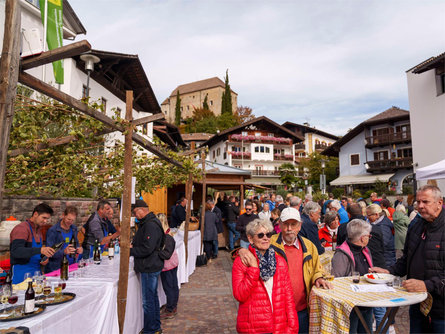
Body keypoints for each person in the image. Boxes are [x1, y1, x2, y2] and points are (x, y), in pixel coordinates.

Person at [240, 207, 332, 333]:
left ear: (299, 226)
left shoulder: (309, 246)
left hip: (302, 309)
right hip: (277, 311)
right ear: (280, 225)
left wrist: (318, 277)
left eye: (293, 225)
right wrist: (241, 250)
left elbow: (317, 268)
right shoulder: (269, 243)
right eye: (286, 224)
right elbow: (251, 251)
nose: (289, 229)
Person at [371, 185, 445, 334]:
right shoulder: (416, 225)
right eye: (418, 202)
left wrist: (426, 285)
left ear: (439, 203)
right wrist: (388, 271)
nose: (420, 206)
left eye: (425, 202)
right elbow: (407, 259)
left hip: (441, 308)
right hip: (417, 302)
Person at [232, 219, 299, 333]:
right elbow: (240, 295)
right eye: (260, 235)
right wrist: (253, 269)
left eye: (268, 234)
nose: (265, 238)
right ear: (250, 238)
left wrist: (293, 325)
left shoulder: (280, 262)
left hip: (278, 326)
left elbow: (288, 297)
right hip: (253, 328)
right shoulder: (241, 262)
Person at [331, 219, 374, 333]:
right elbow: (336, 281)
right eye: (368, 235)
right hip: (351, 306)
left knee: (366, 331)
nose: (369, 238)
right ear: (362, 238)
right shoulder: (342, 254)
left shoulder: (365, 249)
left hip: (367, 301)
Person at [131, 199, 164, 334]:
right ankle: (155, 327)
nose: (135, 216)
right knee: (152, 298)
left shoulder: (150, 225)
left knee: (148, 301)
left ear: (141, 210)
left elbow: (147, 249)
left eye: (135, 213)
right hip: (151, 265)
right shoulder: (149, 222)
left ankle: (150, 330)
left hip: (149, 266)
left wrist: (130, 250)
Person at [366, 203, 395, 331]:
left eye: (369, 216)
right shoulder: (380, 225)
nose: (367, 218)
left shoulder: (381, 226)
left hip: (384, 263)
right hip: (384, 261)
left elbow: (382, 246)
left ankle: (388, 325)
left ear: (376, 215)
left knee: (382, 302)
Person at [10, 203, 56, 284]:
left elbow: (36, 252)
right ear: (35, 214)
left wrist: (44, 258)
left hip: (36, 274)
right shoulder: (22, 228)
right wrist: (40, 250)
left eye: (47, 219)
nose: (45, 221)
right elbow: (16, 251)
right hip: (22, 275)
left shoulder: (38, 230)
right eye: (44, 218)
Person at [337, 203, 387, 269]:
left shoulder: (343, 228)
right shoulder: (376, 228)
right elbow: (383, 248)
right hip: (378, 264)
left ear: (348, 214)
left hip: (356, 266)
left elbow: (339, 248)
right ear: (362, 212)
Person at [45, 206, 83, 273]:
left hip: (72, 267)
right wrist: (64, 252)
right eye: (68, 219)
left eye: (72, 220)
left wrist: (78, 249)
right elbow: (49, 253)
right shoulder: (53, 231)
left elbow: (76, 244)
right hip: (57, 268)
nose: (70, 222)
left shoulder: (74, 229)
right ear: (63, 215)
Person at [157, 214, 179, 320]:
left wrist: (156, 252)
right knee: (173, 285)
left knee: (169, 287)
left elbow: (166, 254)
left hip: (168, 265)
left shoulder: (166, 236)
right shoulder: (167, 233)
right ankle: (172, 306)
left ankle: (171, 308)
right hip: (173, 263)